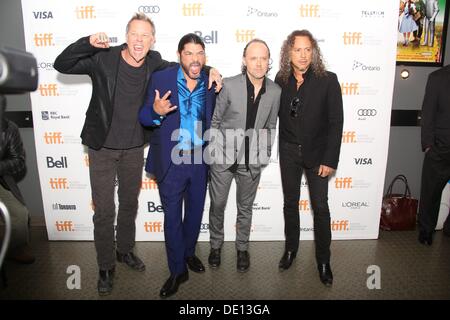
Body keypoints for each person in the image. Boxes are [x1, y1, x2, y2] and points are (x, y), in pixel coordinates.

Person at [53, 13, 221, 296]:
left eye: (145, 35)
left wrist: (211, 68)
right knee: (105, 212)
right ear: (126, 35)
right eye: (135, 34)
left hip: (133, 148)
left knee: (129, 205)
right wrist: (87, 43)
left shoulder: (156, 62)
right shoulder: (103, 58)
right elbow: (62, 64)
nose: (139, 40)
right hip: (102, 146)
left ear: (153, 39)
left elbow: (190, 64)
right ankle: (106, 267)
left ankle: (125, 252)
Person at [139, 33, 216, 298]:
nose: (194, 59)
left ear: (204, 56)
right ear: (179, 55)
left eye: (199, 53)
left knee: (194, 214)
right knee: (172, 217)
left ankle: (189, 254)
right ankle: (176, 271)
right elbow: (144, 116)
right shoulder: (162, 78)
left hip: (199, 160)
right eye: (189, 53)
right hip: (171, 160)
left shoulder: (211, 82)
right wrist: (156, 113)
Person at [275, 30, 343, 287]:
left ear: (313, 51)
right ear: (288, 53)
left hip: (318, 155)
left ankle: (323, 261)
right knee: (290, 203)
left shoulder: (328, 80)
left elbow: (336, 123)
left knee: (321, 208)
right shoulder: (281, 80)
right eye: (297, 50)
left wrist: (330, 159)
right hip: (289, 152)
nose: (303, 55)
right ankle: (291, 249)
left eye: (307, 50)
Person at [207, 39, 280, 273]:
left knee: (245, 208)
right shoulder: (228, 85)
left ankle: (242, 248)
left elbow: (270, 127)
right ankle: (216, 245)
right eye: (253, 58)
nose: (258, 63)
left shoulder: (276, 91)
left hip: (251, 163)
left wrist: (264, 154)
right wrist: (216, 153)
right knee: (218, 205)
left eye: (263, 58)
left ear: (269, 62)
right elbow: (216, 120)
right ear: (244, 60)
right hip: (223, 160)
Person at [0, 95, 35, 264]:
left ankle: (14, 247)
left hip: (1, 179)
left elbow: (18, 161)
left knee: (20, 215)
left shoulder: (9, 128)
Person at [418, 64, 450, 245]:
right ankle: (426, 230)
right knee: (431, 192)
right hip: (440, 148)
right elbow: (428, 112)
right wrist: (429, 145)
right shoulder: (438, 77)